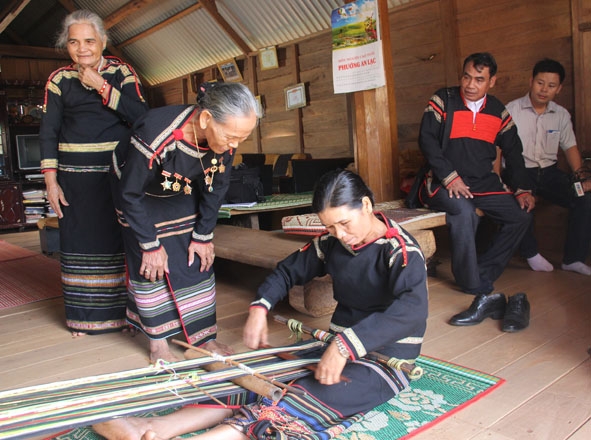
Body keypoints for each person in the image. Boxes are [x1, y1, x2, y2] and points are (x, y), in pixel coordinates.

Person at [92, 169, 429, 440]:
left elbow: (410, 311)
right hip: (333, 347)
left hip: (385, 361)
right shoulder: (332, 243)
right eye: (329, 225)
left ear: (367, 206)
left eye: (345, 223)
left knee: (301, 396)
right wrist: (260, 307)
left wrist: (343, 348)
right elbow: (287, 271)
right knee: (255, 377)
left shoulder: (399, 251)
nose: (339, 234)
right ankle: (156, 429)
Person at [112, 81, 259, 363]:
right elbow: (129, 193)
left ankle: (204, 338)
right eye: (231, 136)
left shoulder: (225, 141)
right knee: (151, 263)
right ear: (205, 119)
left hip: (178, 185)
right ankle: (157, 342)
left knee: (198, 257)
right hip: (136, 191)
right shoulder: (156, 134)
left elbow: (216, 188)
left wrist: (204, 236)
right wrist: (150, 244)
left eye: (243, 137)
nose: (235, 145)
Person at [40, 10, 149, 336]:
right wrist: (51, 181)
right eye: (74, 42)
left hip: (117, 175)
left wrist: (103, 87)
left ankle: (128, 316)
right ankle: (84, 319)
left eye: (89, 40)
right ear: (66, 45)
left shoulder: (122, 72)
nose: (82, 48)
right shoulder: (59, 80)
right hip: (75, 180)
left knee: (121, 242)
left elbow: (142, 116)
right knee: (80, 244)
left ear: (103, 41)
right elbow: (48, 131)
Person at [418, 52, 534, 330]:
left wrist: (521, 188)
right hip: (442, 181)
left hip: (483, 183)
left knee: (521, 216)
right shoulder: (443, 100)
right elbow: (427, 141)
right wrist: (449, 177)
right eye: (467, 76)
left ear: (491, 82)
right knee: (464, 211)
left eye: (479, 79)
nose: (470, 84)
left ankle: (482, 274)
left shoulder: (497, 111)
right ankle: (473, 285)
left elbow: (514, 152)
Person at [505, 58, 591, 276]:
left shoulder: (561, 114)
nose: (544, 90)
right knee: (520, 203)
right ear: (531, 81)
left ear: (559, 88)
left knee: (584, 198)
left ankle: (573, 259)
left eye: (551, 86)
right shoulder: (511, 110)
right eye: (540, 83)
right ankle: (531, 253)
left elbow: (570, 147)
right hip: (520, 172)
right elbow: (499, 149)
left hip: (550, 173)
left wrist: (580, 178)